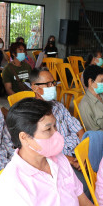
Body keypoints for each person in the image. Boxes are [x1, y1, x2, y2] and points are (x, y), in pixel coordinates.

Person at [0, 98, 103, 206]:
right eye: (48, 129)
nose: (56, 134)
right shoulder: (12, 187)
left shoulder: (59, 160)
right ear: (25, 137)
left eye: (55, 127)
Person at [29, 68, 90, 197]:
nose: (52, 87)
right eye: (48, 84)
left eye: (53, 83)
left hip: (78, 153)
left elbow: (78, 129)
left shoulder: (58, 106)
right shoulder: (32, 115)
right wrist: (71, 160)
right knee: (84, 186)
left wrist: (83, 153)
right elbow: (40, 150)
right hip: (58, 160)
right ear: (34, 87)